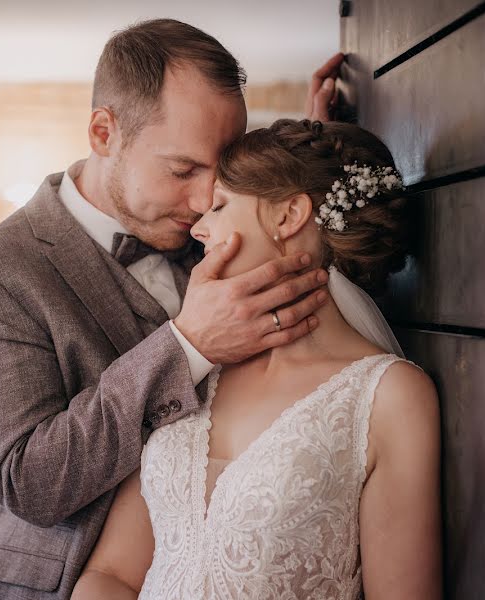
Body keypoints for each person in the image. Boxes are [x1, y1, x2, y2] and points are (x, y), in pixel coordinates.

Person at [0, 19, 343, 600]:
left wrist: (309, 164)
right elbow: (28, 481)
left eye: (222, 165)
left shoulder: (215, 230)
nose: (206, 200)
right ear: (104, 133)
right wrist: (188, 347)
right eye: (183, 169)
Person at [71, 119, 443, 599]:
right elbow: (112, 575)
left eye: (220, 207)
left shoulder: (390, 398)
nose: (199, 228)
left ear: (288, 217)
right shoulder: (199, 370)